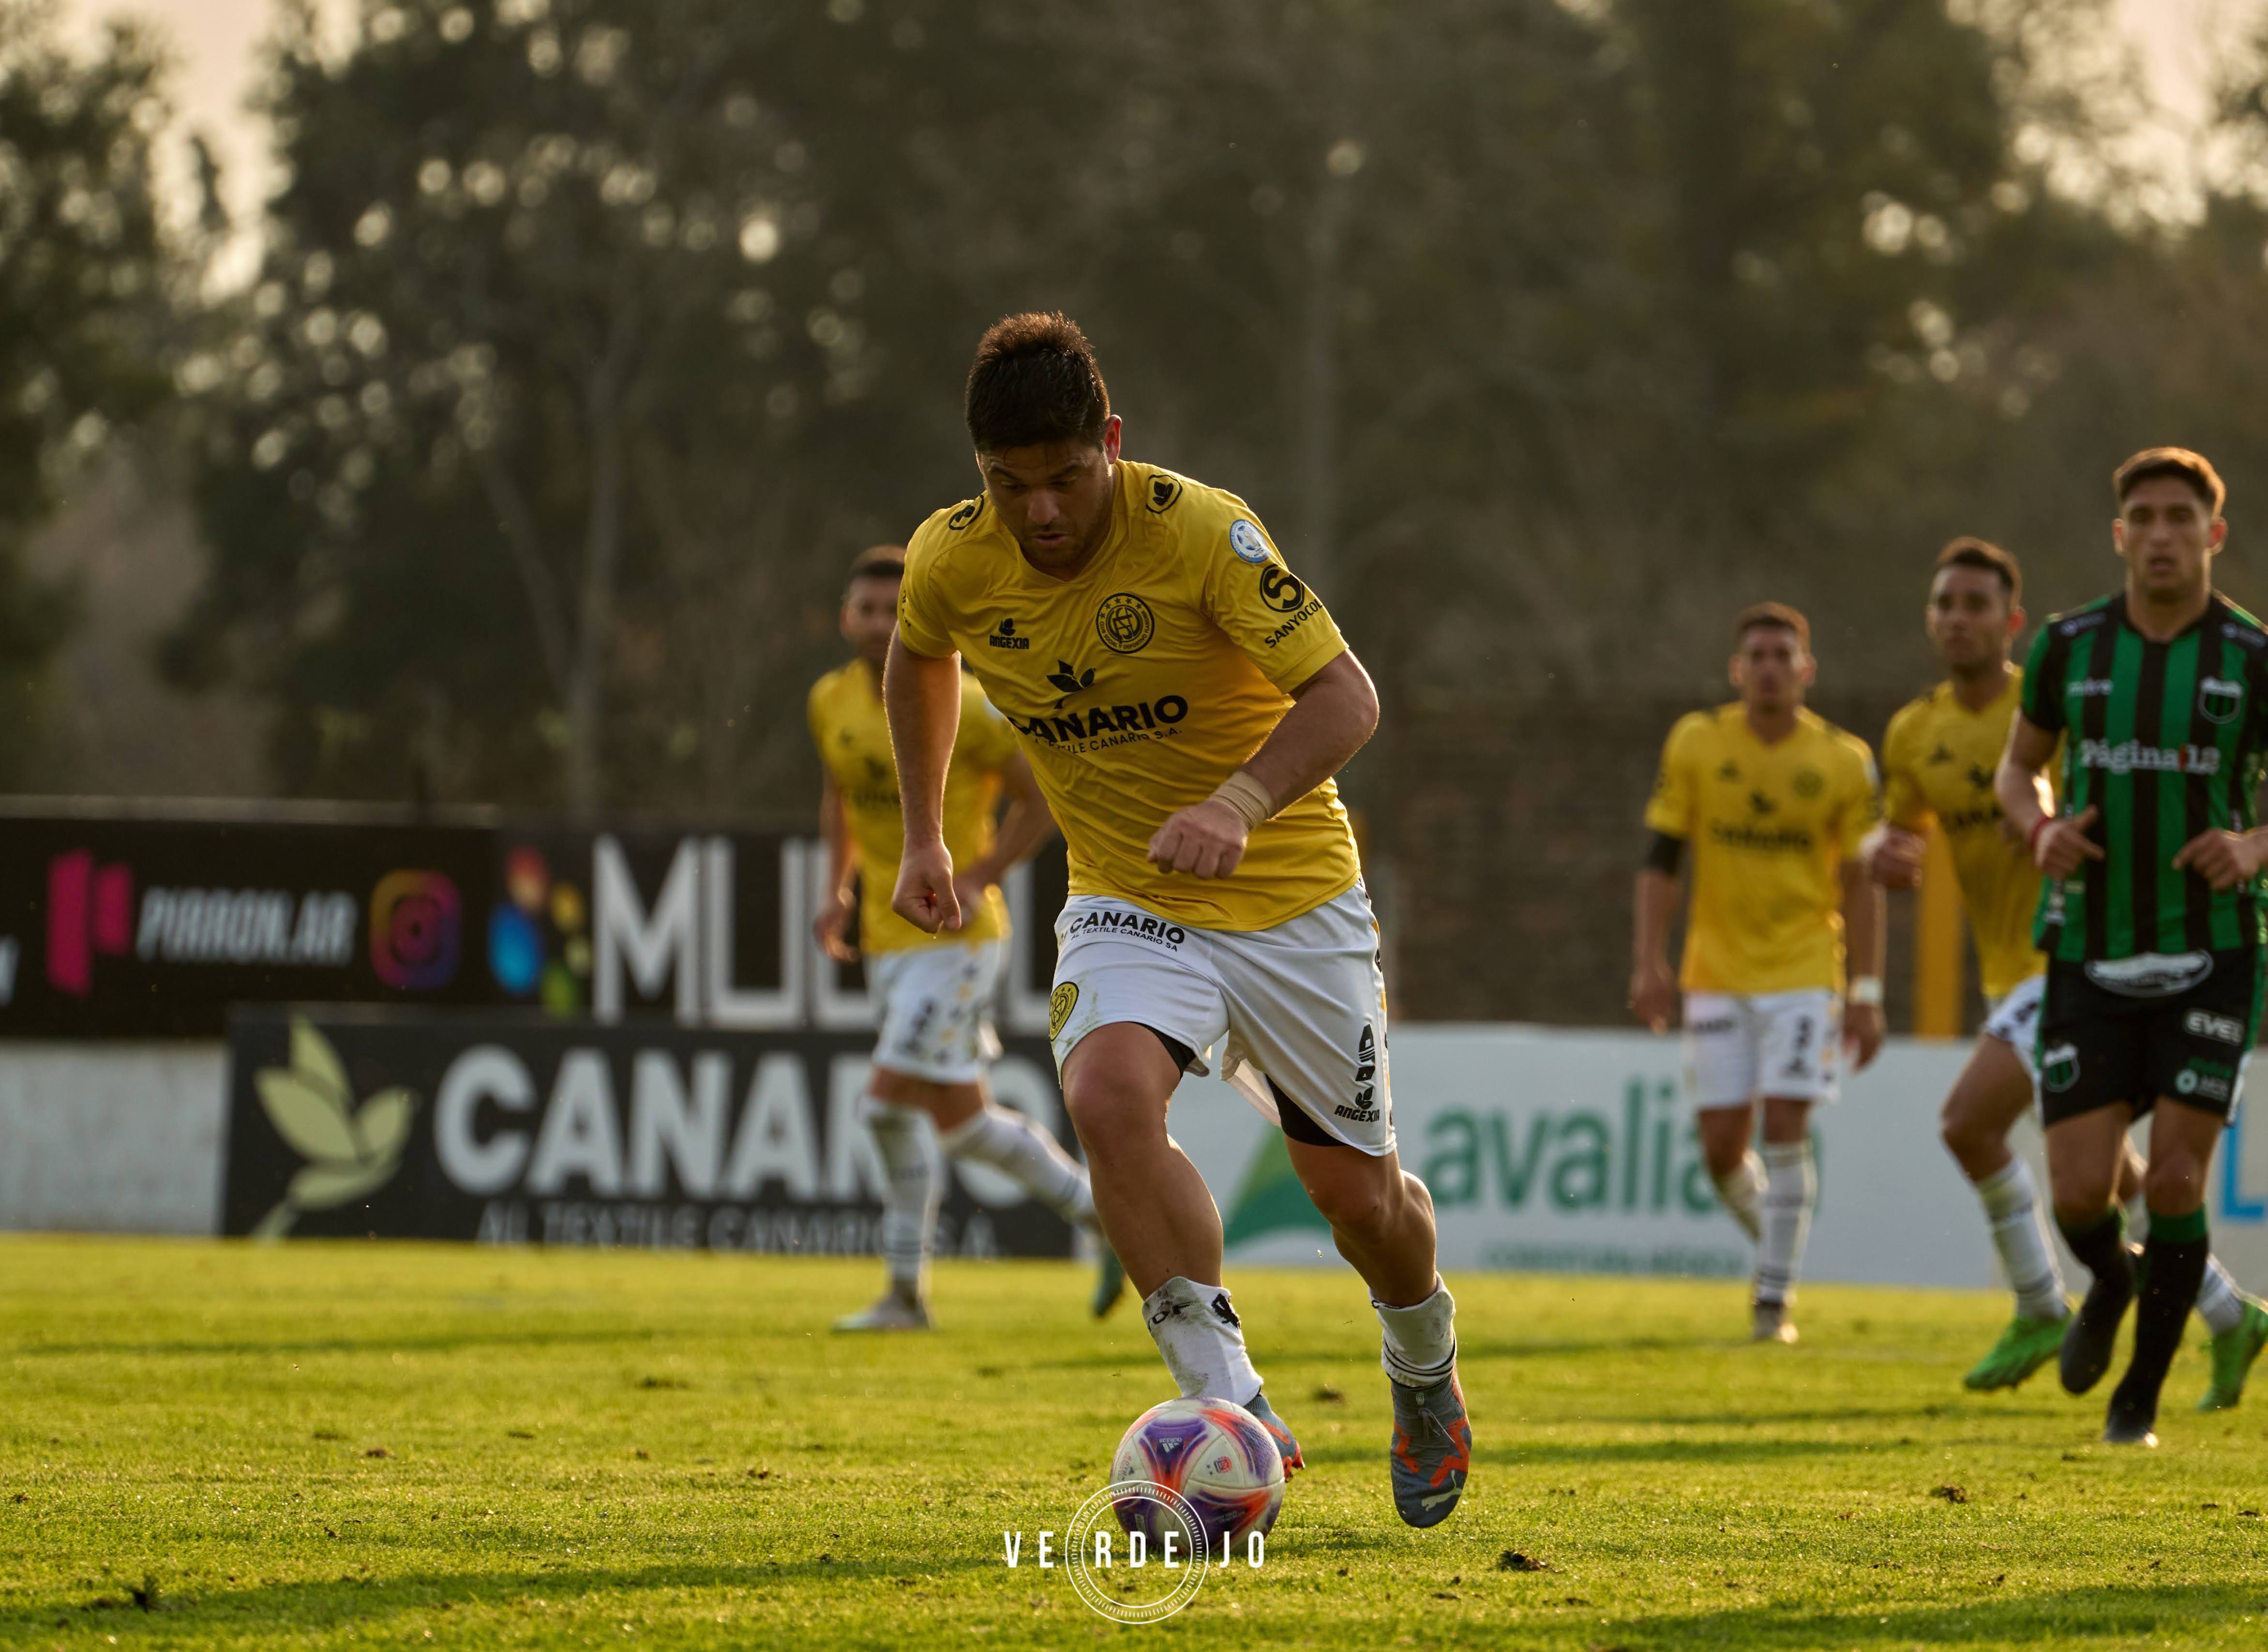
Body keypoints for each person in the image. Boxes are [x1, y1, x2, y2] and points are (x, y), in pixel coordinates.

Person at [884, 312, 1469, 1529]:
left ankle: (1423, 1367)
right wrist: (925, 835)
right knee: (1103, 1098)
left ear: (1109, 441)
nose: (1040, 513)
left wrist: (1240, 801)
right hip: (1127, 897)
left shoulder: (1201, 530)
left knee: (1362, 1206)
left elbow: (1347, 694)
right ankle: (1233, 1402)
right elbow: (917, 656)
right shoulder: (951, 558)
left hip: (1293, 902)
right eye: (1008, 487)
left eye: (1063, 480)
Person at [1868, 538, 2265, 1400]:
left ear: (2012, 621)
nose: (1959, 618)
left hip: (2078, 954)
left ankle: (2042, 1301)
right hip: (2008, 971)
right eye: (1946, 603)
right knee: (2105, 1181)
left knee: (1968, 1123)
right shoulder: (1913, 731)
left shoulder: (2068, 693)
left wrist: (2046, 822)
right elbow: (1899, 836)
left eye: (1978, 603)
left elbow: (2062, 779)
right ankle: (2232, 1315)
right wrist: (1882, 854)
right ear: (1930, 619)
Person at [1995, 447, 2268, 1445]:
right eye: (2142, 517)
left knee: (2176, 1183)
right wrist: (2038, 827)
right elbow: (2015, 770)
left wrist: (2252, 843)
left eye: (2178, 517)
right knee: (2076, 1192)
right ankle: (2109, 1284)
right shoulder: (2070, 647)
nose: (2160, 534)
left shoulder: (2250, 656)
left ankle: (2136, 1403)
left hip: (2215, 951)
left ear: (2213, 534)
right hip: (2089, 951)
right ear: (2118, 535)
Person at [809, 546, 1123, 1331]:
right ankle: (1106, 1216)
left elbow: (1040, 799)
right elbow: (840, 798)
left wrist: (981, 872)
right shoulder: (829, 701)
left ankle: (904, 1295)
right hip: (887, 941)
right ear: (846, 617)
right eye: (867, 609)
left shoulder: (968, 703)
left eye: (895, 609)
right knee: (966, 1125)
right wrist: (835, 891)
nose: (881, 623)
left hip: (956, 937)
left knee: (884, 1107)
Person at [1632, 604, 1888, 1344]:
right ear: (1737, 670)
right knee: (1719, 1150)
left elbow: (1865, 881)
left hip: (1806, 970)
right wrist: (1648, 960)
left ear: (1807, 670)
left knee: (1785, 1126)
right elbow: (1660, 861)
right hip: (1713, 970)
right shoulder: (1697, 742)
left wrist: (1867, 994)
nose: (1771, 667)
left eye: (1784, 655)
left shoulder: (1843, 759)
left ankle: (1772, 1302)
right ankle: (1782, 1246)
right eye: (1758, 655)